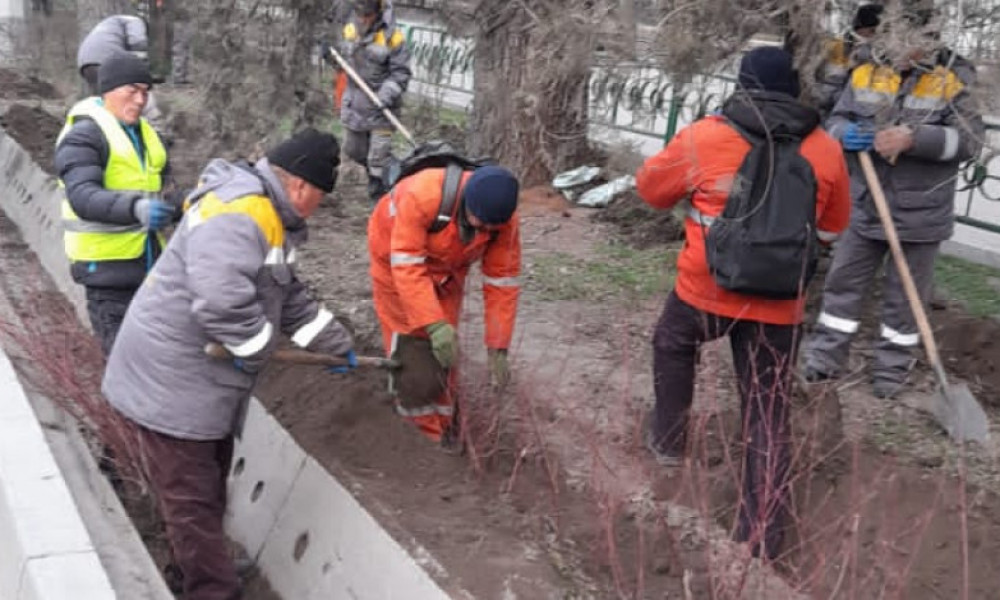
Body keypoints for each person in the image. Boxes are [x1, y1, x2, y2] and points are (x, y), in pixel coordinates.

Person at [102, 129, 354, 600]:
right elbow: (220, 302)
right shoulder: (242, 212)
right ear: (300, 186)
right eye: (320, 196)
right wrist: (258, 348)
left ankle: (194, 566)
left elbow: (286, 292)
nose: (318, 206)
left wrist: (333, 342)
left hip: (197, 384)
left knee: (207, 485)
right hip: (172, 382)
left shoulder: (267, 216)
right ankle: (209, 587)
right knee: (192, 501)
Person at [636, 47, 851, 560]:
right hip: (780, 304)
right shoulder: (825, 148)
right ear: (794, 89)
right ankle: (761, 534)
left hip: (706, 291)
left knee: (673, 342)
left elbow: (650, 189)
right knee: (766, 410)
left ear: (742, 84)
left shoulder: (706, 136)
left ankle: (667, 442)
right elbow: (832, 228)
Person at [802, 6, 984, 399]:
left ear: (927, 40)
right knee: (842, 287)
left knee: (906, 302)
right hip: (864, 203)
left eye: (908, 41)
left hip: (920, 214)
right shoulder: (868, 70)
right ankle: (823, 361)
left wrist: (915, 140)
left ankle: (890, 374)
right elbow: (834, 118)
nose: (897, 48)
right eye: (890, 38)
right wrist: (843, 132)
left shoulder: (952, 78)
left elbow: (969, 141)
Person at [367, 164, 521, 444]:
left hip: (447, 270)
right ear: (466, 201)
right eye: (479, 223)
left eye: (490, 227)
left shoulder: (504, 221)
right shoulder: (423, 196)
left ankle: (444, 422)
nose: (484, 230)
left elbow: (502, 282)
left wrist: (498, 346)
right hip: (395, 263)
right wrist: (433, 324)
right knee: (416, 347)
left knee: (445, 349)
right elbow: (407, 265)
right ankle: (419, 434)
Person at [55, 52, 179, 356]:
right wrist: (134, 208)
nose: (140, 100)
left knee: (154, 361)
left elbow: (160, 195)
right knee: (125, 364)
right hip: (107, 276)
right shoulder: (84, 135)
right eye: (132, 90)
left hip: (148, 269)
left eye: (145, 92)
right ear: (109, 90)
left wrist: (192, 201)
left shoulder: (147, 137)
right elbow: (83, 196)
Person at [339, 0, 411, 201]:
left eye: (367, 15)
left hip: (382, 109)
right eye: (360, 15)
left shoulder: (393, 37)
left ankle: (381, 196)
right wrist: (329, 55)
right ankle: (388, 171)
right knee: (353, 150)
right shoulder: (351, 29)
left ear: (377, 12)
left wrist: (386, 95)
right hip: (356, 105)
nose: (363, 20)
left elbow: (401, 74)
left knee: (378, 159)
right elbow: (342, 61)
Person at [77, 14, 167, 134]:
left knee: (106, 102)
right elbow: (138, 42)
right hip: (107, 57)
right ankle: (157, 131)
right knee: (138, 91)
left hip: (85, 62)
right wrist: (143, 72)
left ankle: (106, 134)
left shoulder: (113, 23)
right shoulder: (135, 21)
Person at [811, 3, 883, 119]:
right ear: (860, 28)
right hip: (832, 113)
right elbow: (825, 89)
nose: (875, 36)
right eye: (872, 31)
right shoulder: (838, 47)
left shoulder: (882, 55)